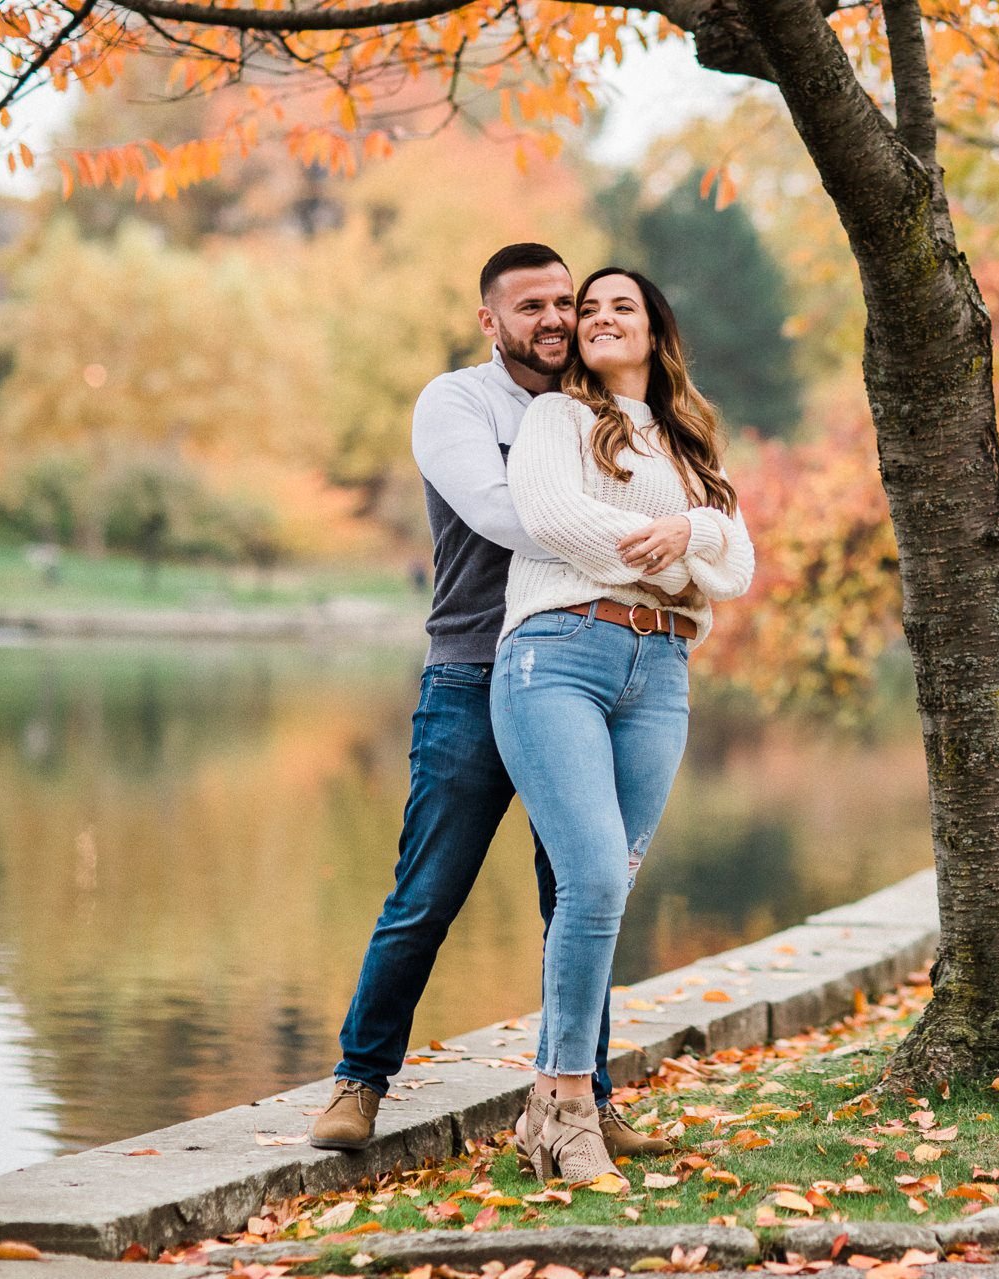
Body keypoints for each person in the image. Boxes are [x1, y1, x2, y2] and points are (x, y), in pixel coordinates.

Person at [308, 245, 669, 1162]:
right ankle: (360, 1077)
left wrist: (689, 536)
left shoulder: (604, 406)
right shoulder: (457, 403)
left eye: (565, 300)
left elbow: (692, 499)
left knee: (585, 892)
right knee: (427, 893)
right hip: (474, 673)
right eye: (532, 306)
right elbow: (510, 516)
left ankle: (586, 1095)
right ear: (489, 319)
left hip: (581, 678)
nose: (555, 319)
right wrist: (654, 543)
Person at [492, 266, 754, 1182]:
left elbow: (741, 556)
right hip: (557, 653)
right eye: (587, 308)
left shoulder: (688, 439)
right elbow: (553, 516)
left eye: (620, 308)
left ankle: (572, 1107)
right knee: (593, 873)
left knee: (609, 885)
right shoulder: (555, 419)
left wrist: (694, 541)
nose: (598, 320)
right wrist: (682, 553)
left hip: (663, 671)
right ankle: (562, 1106)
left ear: (655, 331)